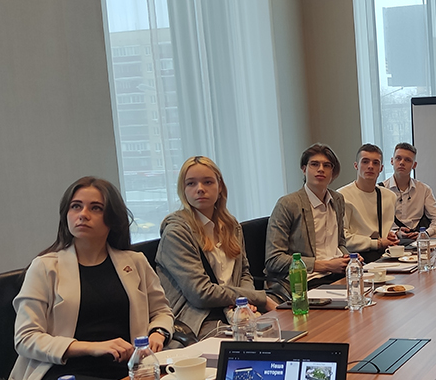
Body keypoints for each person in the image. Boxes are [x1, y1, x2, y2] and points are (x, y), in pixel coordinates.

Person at [8, 177, 173, 380]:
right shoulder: (45, 267)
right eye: (76, 206)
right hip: (64, 378)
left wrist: (158, 333)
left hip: (127, 369)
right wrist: (93, 347)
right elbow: (26, 338)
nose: (83, 214)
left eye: (95, 208)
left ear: (112, 218)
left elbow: (161, 311)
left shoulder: (134, 262)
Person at [156, 156, 276, 338]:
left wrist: (244, 303)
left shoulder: (231, 226)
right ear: (183, 190)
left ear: (220, 187)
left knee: (282, 332)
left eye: (208, 182)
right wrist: (256, 298)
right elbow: (200, 293)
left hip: (235, 309)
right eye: (191, 183)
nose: (200, 189)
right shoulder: (176, 233)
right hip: (199, 318)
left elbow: (244, 273)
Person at [265, 143, 350, 292]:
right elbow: (274, 260)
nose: (321, 169)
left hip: (337, 274)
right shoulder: (288, 204)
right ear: (304, 170)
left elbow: (340, 243)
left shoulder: (337, 200)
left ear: (332, 172)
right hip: (306, 280)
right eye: (314, 164)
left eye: (327, 165)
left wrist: (348, 257)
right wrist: (323, 265)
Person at [339, 143, 400, 262]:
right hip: (358, 258)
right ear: (356, 165)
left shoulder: (389, 197)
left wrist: (390, 235)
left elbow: (383, 229)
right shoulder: (342, 196)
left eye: (375, 163)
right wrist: (376, 243)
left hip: (385, 254)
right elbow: (342, 238)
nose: (370, 166)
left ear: (381, 168)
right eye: (365, 162)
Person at [383, 142, 436, 239]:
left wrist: (425, 233)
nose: (402, 162)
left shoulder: (424, 190)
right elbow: (373, 225)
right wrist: (395, 233)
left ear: (414, 165)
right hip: (389, 241)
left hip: (418, 241)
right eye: (398, 158)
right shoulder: (380, 190)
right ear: (392, 161)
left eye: (407, 160)